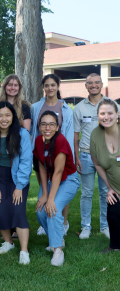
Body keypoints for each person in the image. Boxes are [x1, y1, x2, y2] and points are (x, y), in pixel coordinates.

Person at [0, 102, 32, 264]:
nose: (4, 119)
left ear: (13, 117)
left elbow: (26, 162)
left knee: (18, 210)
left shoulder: (22, 134)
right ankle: (9, 242)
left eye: (8, 115)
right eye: (0, 115)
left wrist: (19, 187)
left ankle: (24, 251)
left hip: (17, 177)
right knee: (0, 209)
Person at [35, 110, 80, 266]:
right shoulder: (38, 141)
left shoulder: (60, 140)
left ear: (57, 126)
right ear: (39, 126)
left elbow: (59, 172)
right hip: (50, 180)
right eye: (44, 124)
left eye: (51, 124)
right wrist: (44, 195)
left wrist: (51, 199)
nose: (47, 127)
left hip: (68, 179)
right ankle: (58, 238)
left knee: (52, 209)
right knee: (41, 212)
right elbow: (41, 167)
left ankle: (57, 250)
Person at [31, 74, 74, 236]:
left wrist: (70, 157)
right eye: (47, 85)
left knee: (61, 184)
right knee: (45, 185)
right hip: (42, 154)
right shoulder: (36, 107)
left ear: (58, 86)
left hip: (60, 154)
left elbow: (69, 134)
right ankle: (46, 220)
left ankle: (63, 221)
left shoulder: (65, 109)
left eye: (53, 85)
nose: (50, 88)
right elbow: (34, 131)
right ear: (43, 88)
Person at [73, 73, 111, 239]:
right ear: (86, 85)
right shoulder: (80, 108)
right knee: (87, 193)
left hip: (106, 157)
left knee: (106, 192)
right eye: (90, 83)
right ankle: (86, 227)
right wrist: (77, 157)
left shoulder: (111, 105)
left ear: (101, 84)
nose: (94, 85)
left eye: (97, 82)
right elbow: (75, 137)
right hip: (86, 156)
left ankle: (105, 226)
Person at [0, 74, 31, 240]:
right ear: (5, 86)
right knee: (3, 197)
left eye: (16, 85)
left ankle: (16, 228)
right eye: (9, 84)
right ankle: (7, 230)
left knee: (17, 195)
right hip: (1, 154)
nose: (12, 87)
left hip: (17, 152)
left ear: (19, 88)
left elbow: (27, 131)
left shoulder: (24, 106)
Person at [90, 99, 120, 252]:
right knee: (113, 211)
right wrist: (109, 187)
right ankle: (115, 246)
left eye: (110, 113)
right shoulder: (95, 134)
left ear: (117, 114)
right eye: (102, 113)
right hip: (115, 185)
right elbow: (97, 164)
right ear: (98, 116)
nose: (106, 117)